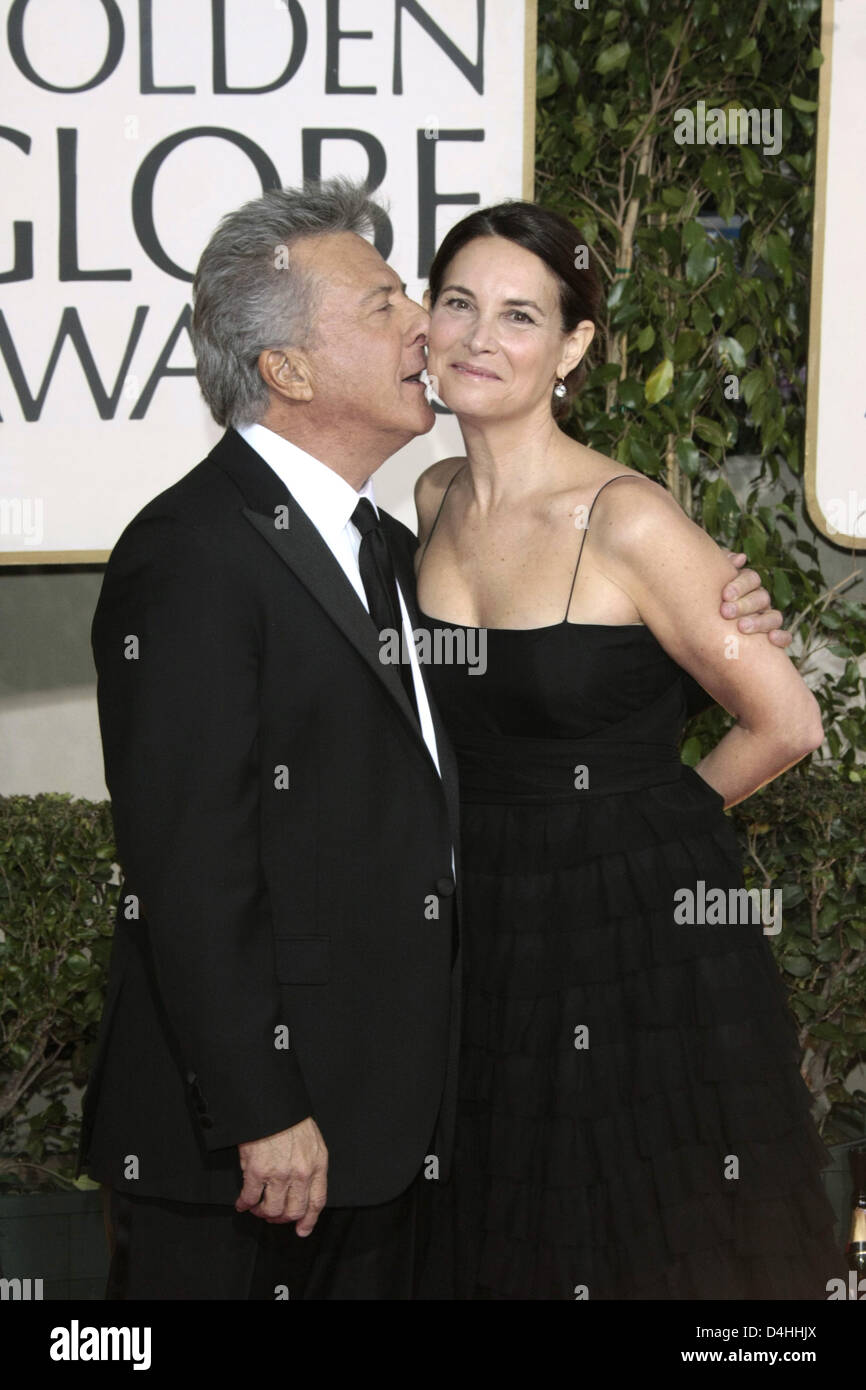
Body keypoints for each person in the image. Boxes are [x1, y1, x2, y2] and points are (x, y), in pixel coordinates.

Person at [77, 178, 788, 1301]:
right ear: (290, 371)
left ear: (572, 344)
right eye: (394, 305)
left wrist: (637, 837)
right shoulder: (203, 553)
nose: (425, 326)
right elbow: (187, 865)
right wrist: (264, 1111)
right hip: (261, 1138)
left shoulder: (371, 534)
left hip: (416, 1080)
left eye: (489, 309)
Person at [410, 200, 843, 1300]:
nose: (476, 337)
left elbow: (787, 721)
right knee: (504, 1215)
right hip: (483, 923)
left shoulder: (627, 518)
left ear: (572, 348)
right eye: (456, 302)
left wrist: (638, 829)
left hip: (631, 930)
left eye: (518, 315)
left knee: (645, 1224)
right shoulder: (429, 497)